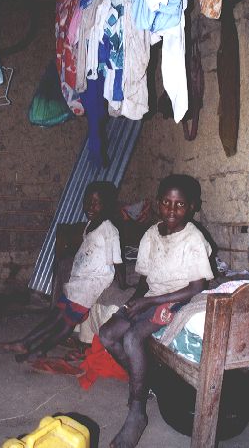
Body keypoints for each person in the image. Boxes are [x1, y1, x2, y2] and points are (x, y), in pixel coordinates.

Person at [99, 174, 214, 448]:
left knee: (131, 338)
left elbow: (197, 286)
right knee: (107, 334)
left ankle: (137, 412)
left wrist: (149, 303)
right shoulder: (151, 233)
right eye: (166, 202)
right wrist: (133, 302)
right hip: (152, 296)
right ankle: (146, 382)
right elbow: (145, 280)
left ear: (192, 207)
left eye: (180, 205)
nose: (172, 210)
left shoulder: (193, 238)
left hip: (178, 298)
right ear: (158, 203)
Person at [0, 181, 125, 362]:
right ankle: (25, 342)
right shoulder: (90, 224)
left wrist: (123, 284)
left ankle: (41, 350)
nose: (90, 206)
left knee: (68, 321)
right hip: (79, 280)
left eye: (96, 203)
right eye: (87, 201)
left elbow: (118, 262)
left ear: (107, 206)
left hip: (92, 283)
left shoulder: (110, 231)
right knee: (56, 314)